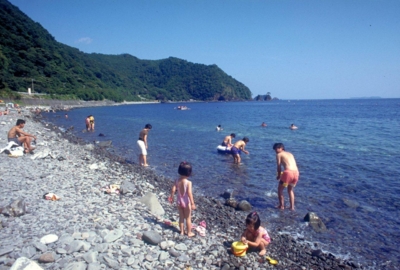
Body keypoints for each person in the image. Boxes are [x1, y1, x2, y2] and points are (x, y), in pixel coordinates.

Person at [168, 162, 196, 237]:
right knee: (188, 218)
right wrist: (193, 203)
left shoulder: (177, 180)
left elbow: (173, 190)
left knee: (181, 217)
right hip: (186, 202)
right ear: (189, 173)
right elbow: (189, 193)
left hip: (179, 201)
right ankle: (189, 232)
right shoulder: (188, 182)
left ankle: (182, 232)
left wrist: (171, 197)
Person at [273, 143, 299, 210]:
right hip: (296, 173)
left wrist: (278, 175)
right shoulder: (290, 154)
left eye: (277, 148)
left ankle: (281, 206)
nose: (276, 150)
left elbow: (279, 166)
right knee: (290, 190)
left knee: (280, 189)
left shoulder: (279, 154)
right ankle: (292, 207)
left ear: (282, 148)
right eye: (275, 149)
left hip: (288, 173)